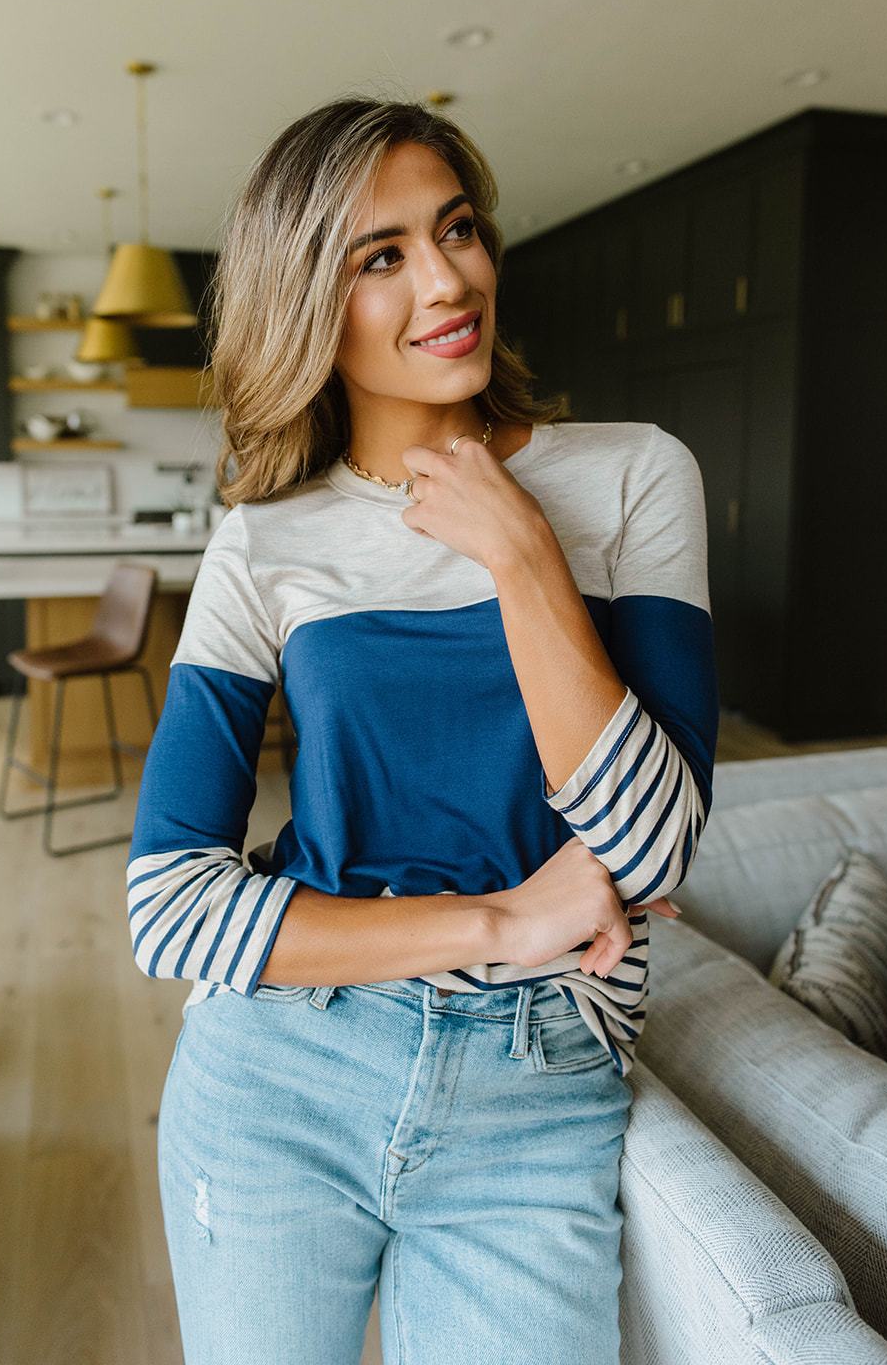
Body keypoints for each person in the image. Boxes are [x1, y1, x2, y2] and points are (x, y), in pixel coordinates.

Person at [126, 95, 719, 1365]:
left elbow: (657, 847)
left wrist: (524, 557)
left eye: (456, 230)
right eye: (379, 256)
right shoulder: (265, 541)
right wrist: (503, 919)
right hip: (281, 1074)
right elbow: (170, 905)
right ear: (307, 302)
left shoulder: (635, 477)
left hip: (542, 1084)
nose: (447, 280)